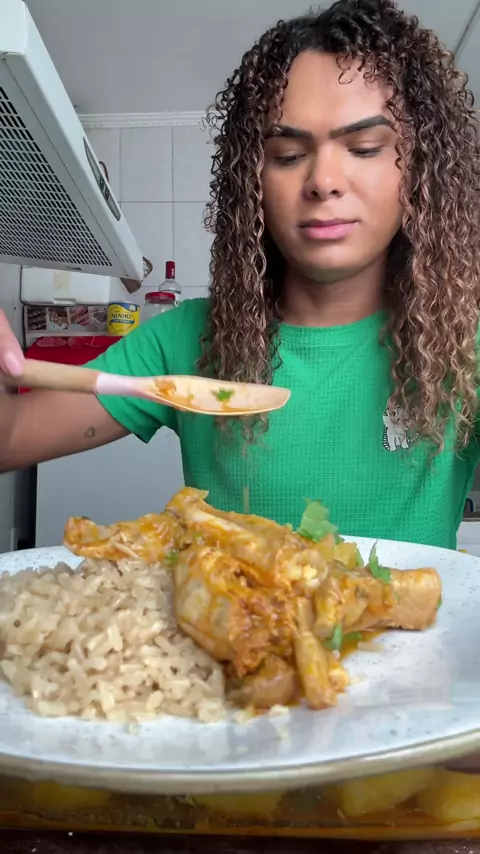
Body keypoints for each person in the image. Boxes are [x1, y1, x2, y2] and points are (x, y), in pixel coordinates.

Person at [0, 0, 478, 548]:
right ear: (252, 184)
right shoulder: (185, 339)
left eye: (364, 148)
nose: (323, 181)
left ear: (418, 170)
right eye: (288, 155)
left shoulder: (465, 343)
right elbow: (10, 438)